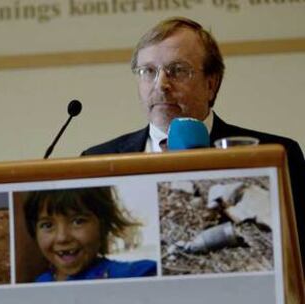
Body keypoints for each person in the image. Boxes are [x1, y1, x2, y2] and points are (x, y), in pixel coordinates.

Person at [81, 17, 305, 272]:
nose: (161, 85)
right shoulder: (97, 159)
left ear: (211, 84)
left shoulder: (273, 153)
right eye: (148, 71)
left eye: (177, 70)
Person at [24, 186, 157, 282]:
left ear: (102, 225)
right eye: (47, 225)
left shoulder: (135, 276)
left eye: (78, 221)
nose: (62, 237)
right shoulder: (39, 283)